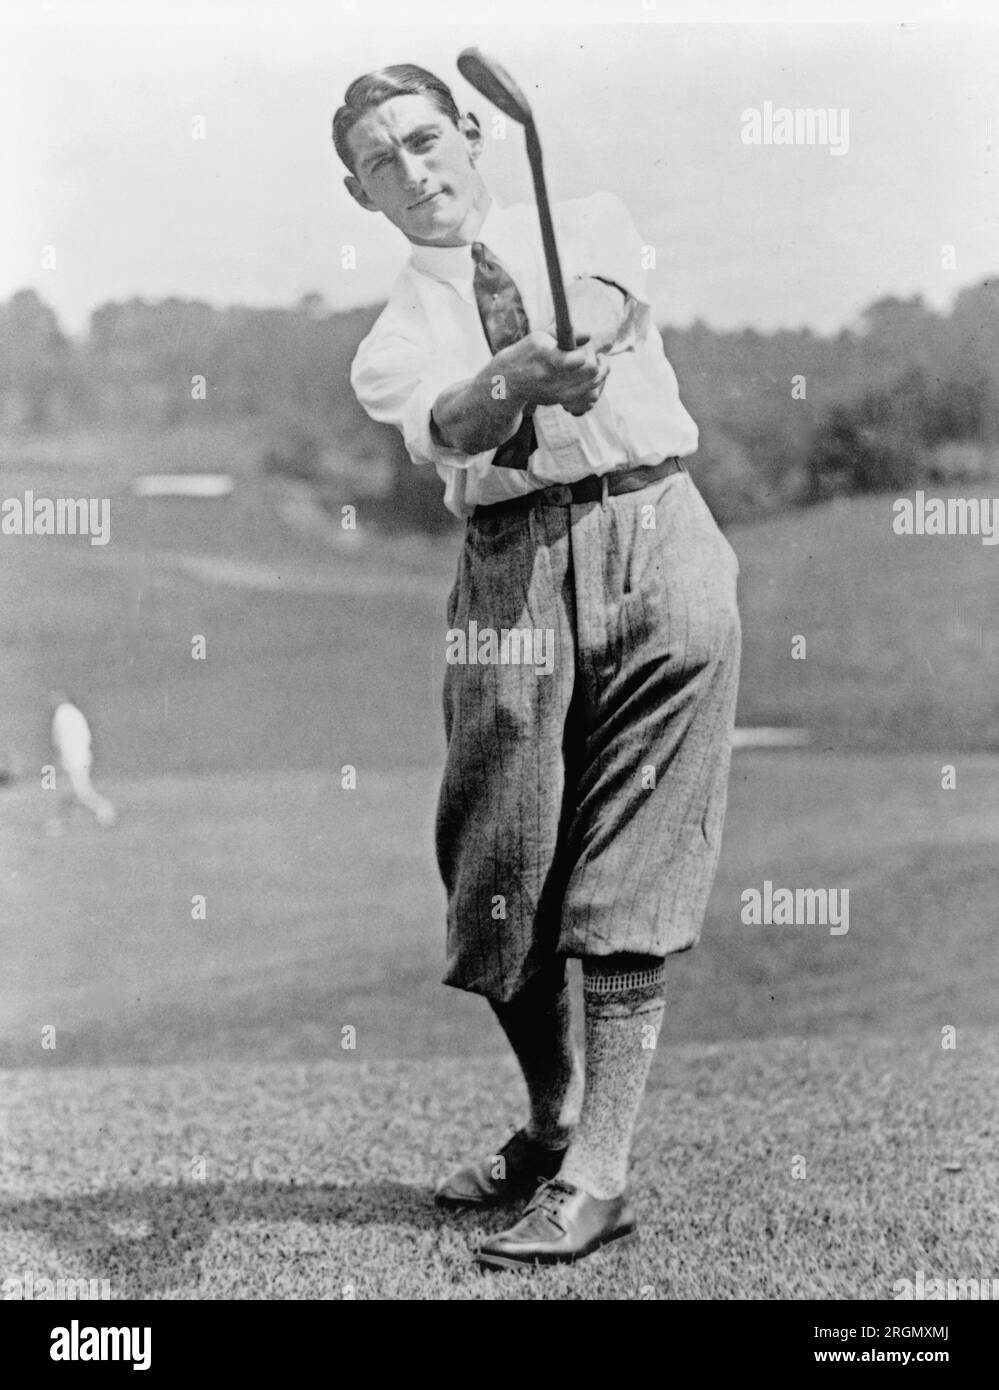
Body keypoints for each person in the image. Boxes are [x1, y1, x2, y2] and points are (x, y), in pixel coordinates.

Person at [338, 63, 741, 1269]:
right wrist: (513, 380)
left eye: (425, 139)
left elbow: (608, 307)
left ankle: (601, 1176)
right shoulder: (392, 338)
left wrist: (577, 344)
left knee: (633, 861)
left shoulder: (595, 219)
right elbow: (453, 424)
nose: (414, 170)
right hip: (510, 571)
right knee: (500, 869)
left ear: (473, 133)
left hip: (660, 535)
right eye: (380, 161)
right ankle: (553, 1123)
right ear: (360, 194)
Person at [48, 692, 116, 831]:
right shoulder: (75, 714)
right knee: (67, 791)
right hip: (80, 756)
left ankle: (105, 810)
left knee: (82, 792)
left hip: (73, 759)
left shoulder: (62, 713)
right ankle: (59, 822)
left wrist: (60, 756)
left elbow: (58, 739)